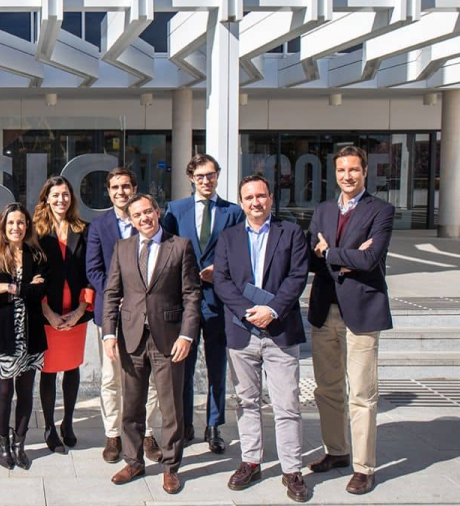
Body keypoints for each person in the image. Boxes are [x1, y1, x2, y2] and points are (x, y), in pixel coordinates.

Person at [212, 175, 311, 503]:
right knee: (246, 401)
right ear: (241, 202)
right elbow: (222, 281)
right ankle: (251, 461)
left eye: (261, 196)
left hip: (280, 330)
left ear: (270, 198)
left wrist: (272, 309)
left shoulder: (291, 232)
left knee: (287, 404)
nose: (256, 202)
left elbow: (298, 276)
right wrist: (248, 312)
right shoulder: (228, 237)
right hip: (242, 332)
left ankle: (292, 469)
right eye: (249, 197)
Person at [307, 145, 394, 495]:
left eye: (354, 169)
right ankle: (337, 450)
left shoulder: (381, 210)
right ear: (335, 173)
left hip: (362, 312)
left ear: (365, 171)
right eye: (342, 170)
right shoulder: (323, 210)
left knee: (361, 393)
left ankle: (364, 467)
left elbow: (371, 259)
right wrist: (346, 258)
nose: (348, 176)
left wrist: (329, 252)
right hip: (324, 309)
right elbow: (311, 259)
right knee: (327, 388)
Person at [102, 193, 201, 495]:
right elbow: (111, 293)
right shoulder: (122, 248)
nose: (144, 218)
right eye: (137, 215)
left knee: (171, 407)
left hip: (169, 339)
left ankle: (170, 467)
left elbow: (192, 294)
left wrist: (186, 335)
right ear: (131, 220)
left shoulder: (180, 246)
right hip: (131, 338)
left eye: (148, 212)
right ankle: (133, 461)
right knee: (132, 406)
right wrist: (109, 333)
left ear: (157, 212)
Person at [164, 153, 244, 452]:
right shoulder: (175, 210)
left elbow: (242, 252)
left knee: (216, 366)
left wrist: (220, 269)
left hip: (218, 300)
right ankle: (185, 423)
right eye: (200, 176)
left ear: (218, 175)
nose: (206, 181)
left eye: (211, 175)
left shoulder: (233, 212)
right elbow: (166, 250)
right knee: (183, 365)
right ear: (191, 178)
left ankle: (213, 425)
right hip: (184, 301)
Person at [86, 167, 162, 463]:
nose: (121, 192)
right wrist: (117, 294)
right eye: (115, 187)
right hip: (112, 313)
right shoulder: (99, 226)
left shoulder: (149, 220)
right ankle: (113, 434)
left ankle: (147, 433)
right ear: (108, 192)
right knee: (111, 378)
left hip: (147, 314)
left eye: (126, 186)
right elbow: (93, 269)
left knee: (149, 379)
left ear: (134, 188)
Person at [0, 203, 48, 470]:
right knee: (4, 391)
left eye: (20, 222)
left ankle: (20, 444)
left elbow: (39, 293)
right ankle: (3, 445)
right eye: (10, 223)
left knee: (26, 392)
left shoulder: (36, 255)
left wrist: (6, 287)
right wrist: (24, 288)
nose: (16, 227)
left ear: (27, 225)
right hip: (1, 334)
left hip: (30, 335)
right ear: (3, 226)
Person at [32, 176, 94, 454]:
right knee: (48, 370)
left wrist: (81, 309)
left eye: (65, 194)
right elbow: (33, 274)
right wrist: (47, 311)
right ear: (46, 198)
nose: (61, 199)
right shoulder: (35, 232)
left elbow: (92, 271)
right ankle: (49, 426)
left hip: (77, 312)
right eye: (55, 195)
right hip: (47, 312)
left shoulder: (85, 229)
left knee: (71, 367)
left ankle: (68, 422)